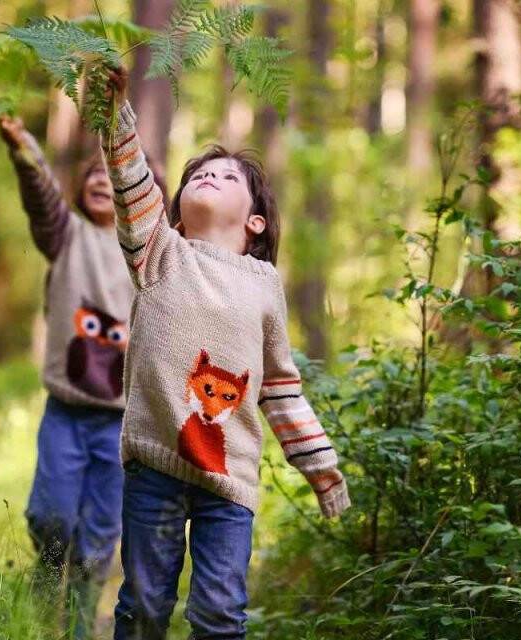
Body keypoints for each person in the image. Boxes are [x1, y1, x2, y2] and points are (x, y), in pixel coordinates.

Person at [88, 70, 351, 640]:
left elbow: (279, 387)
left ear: (255, 221)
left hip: (230, 479)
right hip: (156, 463)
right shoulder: (159, 252)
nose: (209, 176)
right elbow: (131, 180)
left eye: (228, 176)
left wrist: (321, 468)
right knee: (144, 605)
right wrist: (114, 112)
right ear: (178, 211)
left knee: (219, 613)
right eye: (199, 175)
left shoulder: (265, 285)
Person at [0, 114, 163, 638]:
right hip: (66, 413)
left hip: (119, 425)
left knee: (97, 536)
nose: (99, 181)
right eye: (92, 173)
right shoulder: (66, 235)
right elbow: (42, 200)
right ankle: (45, 593)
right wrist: (25, 151)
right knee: (51, 518)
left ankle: (77, 624)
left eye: (111, 176)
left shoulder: (150, 258)